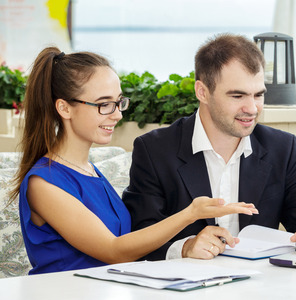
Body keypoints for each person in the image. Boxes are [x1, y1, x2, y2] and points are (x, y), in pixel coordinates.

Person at [9, 47, 258, 275]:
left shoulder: (89, 171)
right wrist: (190, 213)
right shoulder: (44, 184)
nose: (117, 114)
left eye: (118, 102)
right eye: (104, 104)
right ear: (64, 108)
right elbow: (114, 250)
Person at [122, 33, 296, 261]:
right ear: (202, 92)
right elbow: (138, 236)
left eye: (258, 95)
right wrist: (184, 248)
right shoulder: (154, 150)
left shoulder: (281, 147)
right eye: (238, 95)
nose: (252, 108)